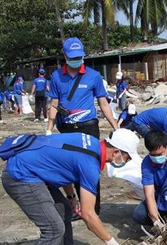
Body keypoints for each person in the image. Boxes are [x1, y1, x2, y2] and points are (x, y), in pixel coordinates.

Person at [0, 128, 139, 245]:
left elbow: (63, 164)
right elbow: (89, 215)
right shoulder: (90, 165)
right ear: (116, 152)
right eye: (127, 157)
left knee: (64, 211)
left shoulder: (89, 141)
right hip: (21, 176)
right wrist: (110, 241)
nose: (125, 161)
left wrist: (71, 196)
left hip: (36, 172)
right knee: (53, 228)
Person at [47, 37, 118, 216]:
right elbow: (54, 104)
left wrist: (116, 127)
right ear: (65, 55)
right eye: (72, 56)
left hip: (88, 127)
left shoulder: (93, 76)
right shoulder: (56, 76)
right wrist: (49, 128)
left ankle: (94, 210)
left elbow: (103, 104)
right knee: (71, 167)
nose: (76, 60)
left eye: (79, 56)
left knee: (90, 167)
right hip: (67, 129)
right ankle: (76, 206)